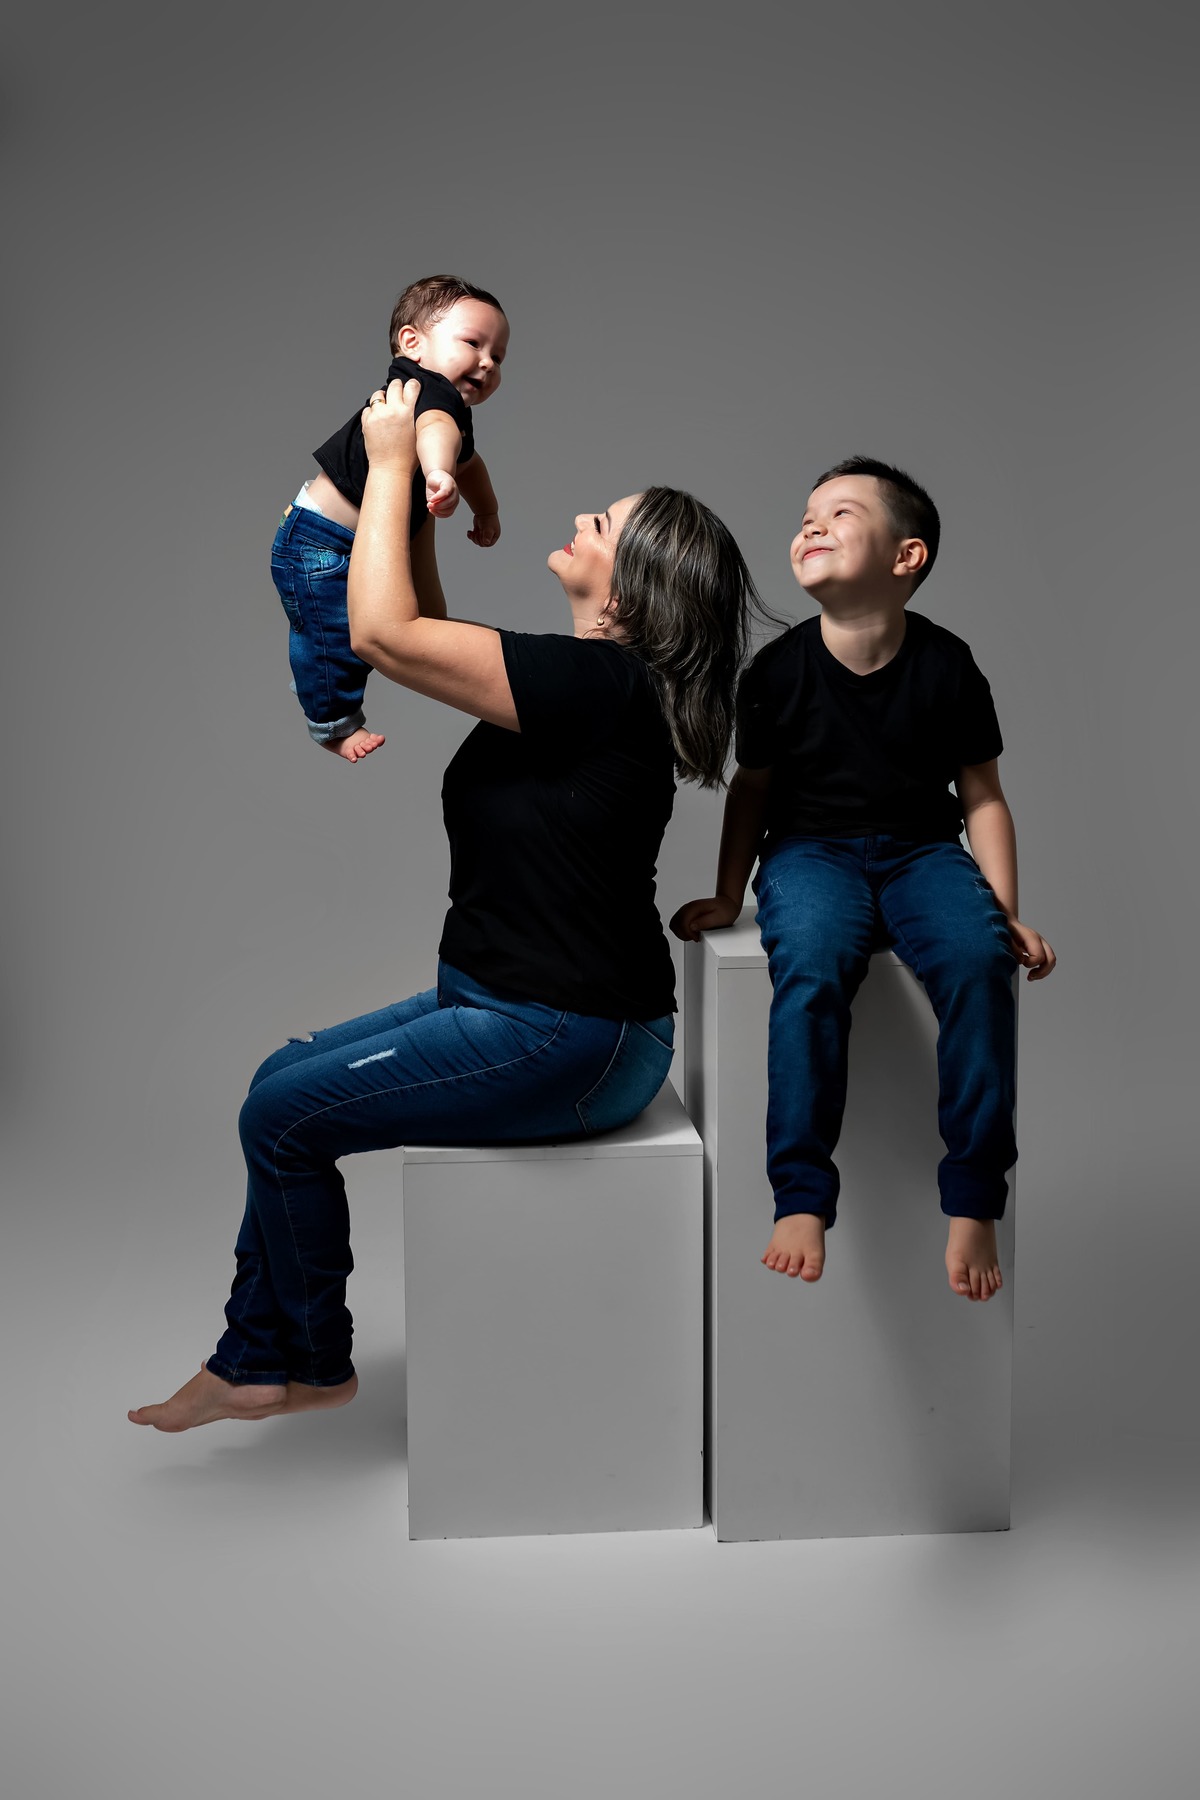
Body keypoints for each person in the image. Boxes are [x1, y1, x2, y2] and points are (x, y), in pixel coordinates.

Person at [129, 376, 759, 1432]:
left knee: (279, 1118)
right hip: (509, 1003)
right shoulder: (579, 684)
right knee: (280, 1080)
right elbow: (415, 622)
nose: (581, 518)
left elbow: (380, 634)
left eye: (604, 525)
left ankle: (303, 1363)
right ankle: (254, 1359)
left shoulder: (599, 686)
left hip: (569, 1035)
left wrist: (384, 463)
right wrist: (421, 496)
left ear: (636, 584)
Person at [671, 456, 1056, 1303]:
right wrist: (731, 894)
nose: (812, 524)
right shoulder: (776, 672)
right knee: (810, 967)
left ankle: (974, 1195)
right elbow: (753, 792)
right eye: (807, 514)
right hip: (810, 852)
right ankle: (802, 1194)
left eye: (841, 513)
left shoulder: (949, 665)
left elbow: (983, 797)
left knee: (979, 962)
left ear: (906, 556)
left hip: (924, 852)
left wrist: (1004, 911)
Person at [272, 274, 509, 761]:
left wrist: (486, 507)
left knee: (358, 635)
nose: (487, 362)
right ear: (412, 343)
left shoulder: (445, 402)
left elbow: (469, 462)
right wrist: (438, 472)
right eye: (473, 343)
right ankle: (331, 724)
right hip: (320, 542)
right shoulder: (425, 390)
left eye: (498, 356)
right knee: (335, 635)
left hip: (340, 539)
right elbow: (436, 431)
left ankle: (315, 675)